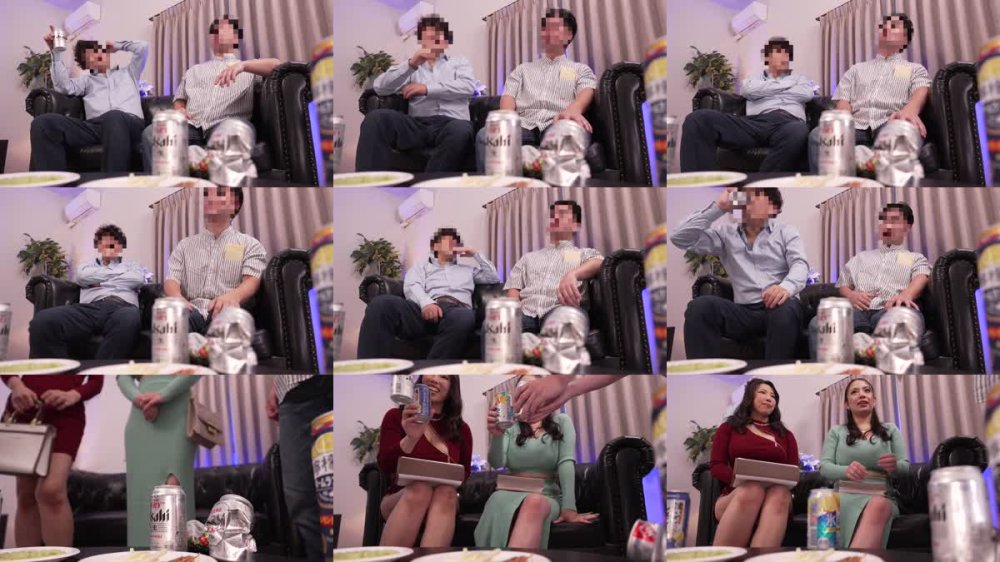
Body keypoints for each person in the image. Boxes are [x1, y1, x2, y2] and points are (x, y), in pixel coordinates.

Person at [670, 188, 808, 359]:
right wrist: (719, 207)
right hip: (744, 312)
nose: (745, 201)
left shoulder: (786, 231)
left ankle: (773, 371)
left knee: (784, 309)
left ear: (773, 207)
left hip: (780, 306)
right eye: (743, 196)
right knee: (699, 307)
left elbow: (799, 264)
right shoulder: (724, 235)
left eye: (754, 196)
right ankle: (702, 371)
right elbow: (679, 238)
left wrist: (785, 288)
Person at [141, 15, 282, 172]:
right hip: (191, 127)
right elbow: (180, 99)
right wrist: (180, 109)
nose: (217, 32)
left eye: (223, 29)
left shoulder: (249, 68)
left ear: (235, 38)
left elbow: (278, 66)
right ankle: (189, 166)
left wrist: (243, 66)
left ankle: (195, 159)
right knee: (151, 133)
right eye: (214, 30)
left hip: (227, 124)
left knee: (235, 131)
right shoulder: (193, 71)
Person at [475, 374, 597, 548]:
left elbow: (566, 463)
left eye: (534, 385)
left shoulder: (561, 421)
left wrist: (569, 507)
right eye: (523, 387)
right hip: (506, 493)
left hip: (546, 493)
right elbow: (497, 463)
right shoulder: (510, 424)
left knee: (534, 502)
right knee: (501, 504)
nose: (529, 392)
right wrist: (497, 436)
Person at [475, 8, 597, 172]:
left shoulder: (580, 69)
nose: (547, 32)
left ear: (569, 35)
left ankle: (530, 160)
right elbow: (508, 95)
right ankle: (517, 171)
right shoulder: (522, 69)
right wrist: (507, 118)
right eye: (545, 28)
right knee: (487, 135)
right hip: (523, 125)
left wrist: (573, 110)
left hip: (557, 123)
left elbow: (586, 90)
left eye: (555, 27)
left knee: (569, 135)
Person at [808, 13, 931, 172]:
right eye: (883, 26)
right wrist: (843, 121)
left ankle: (861, 159)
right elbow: (843, 100)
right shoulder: (856, 69)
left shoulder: (914, 69)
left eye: (893, 26)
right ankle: (865, 162)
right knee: (818, 135)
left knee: (903, 134)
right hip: (855, 126)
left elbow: (921, 89)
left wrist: (910, 111)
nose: (886, 28)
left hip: (890, 122)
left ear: (905, 40)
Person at [808, 203, 930, 358]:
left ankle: (865, 347)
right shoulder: (861, 257)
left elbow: (921, 276)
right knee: (819, 323)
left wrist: (906, 295)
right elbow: (842, 284)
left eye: (894, 220)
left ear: (908, 226)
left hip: (890, 310)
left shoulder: (915, 258)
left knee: (905, 321)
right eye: (884, 220)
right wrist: (851, 295)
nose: (887, 225)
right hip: (857, 312)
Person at [356, 15, 476, 173]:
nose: (433, 41)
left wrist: (426, 88)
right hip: (418, 125)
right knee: (376, 118)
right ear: (421, 41)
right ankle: (368, 182)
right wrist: (411, 64)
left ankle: (428, 182)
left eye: (437, 36)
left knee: (461, 130)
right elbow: (380, 88)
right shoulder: (412, 65)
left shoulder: (460, 62)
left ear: (446, 40)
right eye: (428, 37)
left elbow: (467, 87)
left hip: (453, 123)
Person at [359, 228, 499, 359]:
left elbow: (493, 277)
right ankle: (369, 367)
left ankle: (431, 369)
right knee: (381, 303)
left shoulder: (468, 270)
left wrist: (475, 253)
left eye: (455, 242)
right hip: (425, 309)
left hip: (456, 311)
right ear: (435, 246)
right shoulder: (422, 266)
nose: (453, 244)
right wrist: (427, 303)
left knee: (464, 316)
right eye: (448, 241)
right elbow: (412, 285)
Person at [681, 37, 816, 172]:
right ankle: (698, 180)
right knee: (698, 119)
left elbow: (807, 94)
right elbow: (748, 91)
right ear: (768, 57)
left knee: (798, 130)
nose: (785, 57)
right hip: (755, 123)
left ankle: (761, 180)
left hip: (789, 123)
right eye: (780, 52)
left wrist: (765, 89)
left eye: (787, 53)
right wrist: (787, 85)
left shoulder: (800, 79)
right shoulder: (754, 79)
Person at [2, 375, 104, 547]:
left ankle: (60, 557)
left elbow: (96, 381)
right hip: (24, 408)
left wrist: (73, 394)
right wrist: (16, 385)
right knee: (26, 495)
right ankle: (28, 558)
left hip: (67, 413)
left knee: (52, 491)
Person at [31, 27, 147, 172]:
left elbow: (143, 47)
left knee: (114, 116)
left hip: (130, 124)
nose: (96, 56)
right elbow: (62, 87)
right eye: (90, 56)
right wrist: (56, 52)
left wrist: (117, 46)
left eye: (97, 51)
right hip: (96, 128)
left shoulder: (129, 73)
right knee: (42, 123)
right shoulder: (86, 81)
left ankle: (113, 183)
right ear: (86, 64)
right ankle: (55, 183)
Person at [377, 375, 472, 547]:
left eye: (444, 377)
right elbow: (385, 465)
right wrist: (411, 438)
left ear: (452, 387)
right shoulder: (396, 416)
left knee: (447, 492)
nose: (435, 379)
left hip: (444, 498)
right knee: (420, 489)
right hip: (400, 496)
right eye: (431, 372)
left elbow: (463, 475)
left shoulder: (462, 430)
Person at [29, 224, 145, 360]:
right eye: (105, 241)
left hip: (123, 307)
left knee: (130, 317)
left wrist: (99, 281)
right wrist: (118, 276)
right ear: (99, 246)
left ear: (121, 247)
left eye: (115, 242)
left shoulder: (132, 265)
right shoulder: (87, 265)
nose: (110, 245)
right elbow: (82, 278)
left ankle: (100, 370)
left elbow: (137, 279)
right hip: (90, 308)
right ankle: (61, 371)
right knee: (43, 320)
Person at [820, 378, 909, 548]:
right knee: (824, 505)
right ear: (846, 404)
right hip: (842, 495)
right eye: (854, 392)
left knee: (878, 504)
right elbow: (824, 467)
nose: (862, 394)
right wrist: (845, 471)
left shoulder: (891, 430)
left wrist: (895, 467)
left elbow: (905, 467)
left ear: (874, 400)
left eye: (867, 390)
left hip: (880, 495)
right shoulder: (836, 432)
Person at [164, 187, 267, 334]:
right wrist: (177, 297)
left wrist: (233, 296)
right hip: (191, 311)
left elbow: (252, 280)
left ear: (235, 204)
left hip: (227, 312)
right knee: (173, 320)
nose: (210, 197)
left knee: (225, 326)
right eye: (207, 194)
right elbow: (171, 279)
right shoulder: (184, 245)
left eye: (219, 193)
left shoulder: (250, 245)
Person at [710, 378, 798, 548]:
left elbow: (793, 472)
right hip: (735, 494)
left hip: (775, 497)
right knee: (752, 489)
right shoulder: (728, 428)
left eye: (773, 396)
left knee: (780, 493)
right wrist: (741, 479)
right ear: (750, 397)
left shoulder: (786, 435)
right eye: (763, 392)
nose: (769, 398)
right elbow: (716, 466)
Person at [117, 375, 201, 548]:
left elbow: (194, 371)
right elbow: (122, 375)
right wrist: (140, 399)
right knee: (141, 494)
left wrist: (163, 395)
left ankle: (177, 554)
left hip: (178, 413)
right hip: (141, 417)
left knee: (175, 488)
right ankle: (141, 554)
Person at [504, 200, 603, 333]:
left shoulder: (581, 254)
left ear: (576, 225)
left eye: (562, 214)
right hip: (526, 313)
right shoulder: (528, 258)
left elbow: (599, 262)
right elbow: (514, 288)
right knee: (496, 322)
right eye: (552, 215)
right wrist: (513, 307)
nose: (555, 217)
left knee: (567, 322)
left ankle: (533, 342)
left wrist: (573, 274)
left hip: (562, 310)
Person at [266, 375, 333, 561]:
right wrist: (277, 385)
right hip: (293, 389)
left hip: (331, 382)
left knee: (335, 495)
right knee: (301, 501)